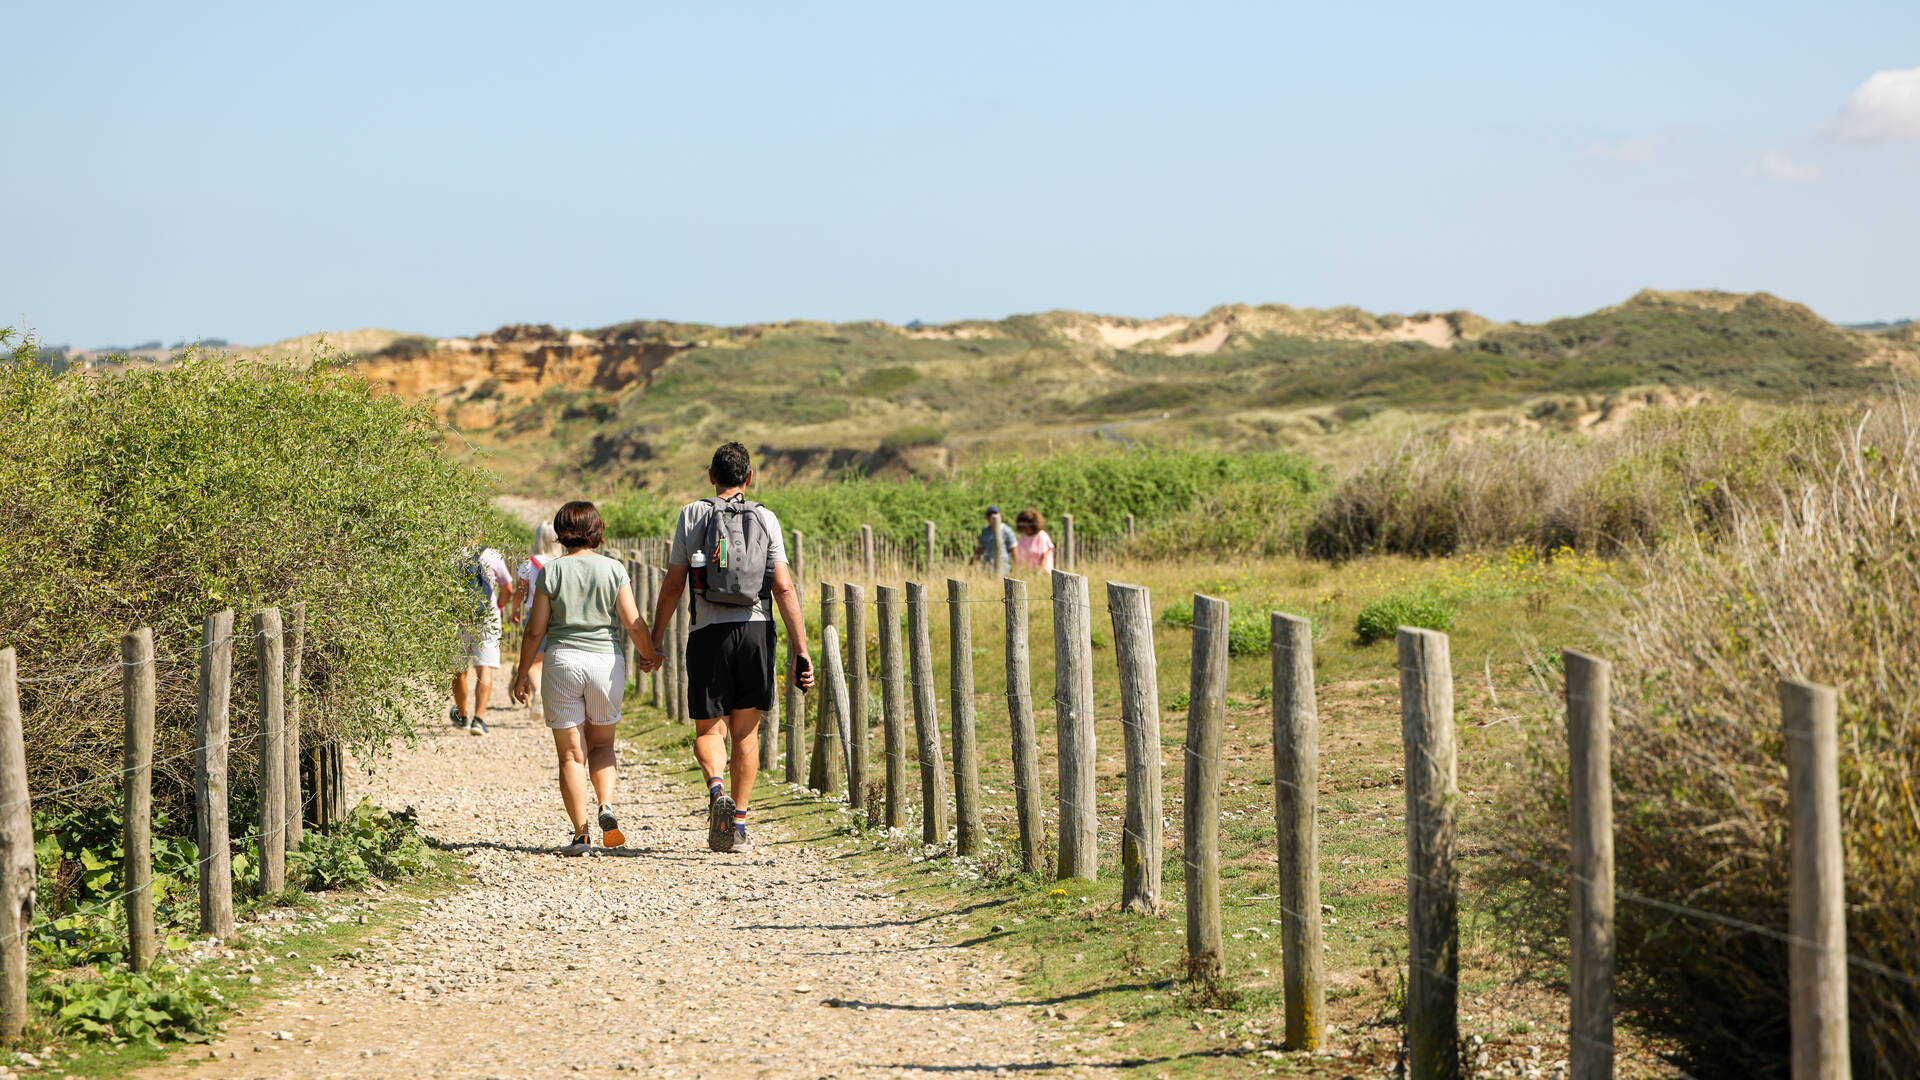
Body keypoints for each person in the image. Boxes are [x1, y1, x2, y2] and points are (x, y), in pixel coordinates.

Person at [652, 442, 813, 854]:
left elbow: (673, 585)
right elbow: (783, 586)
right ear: (749, 478)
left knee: (709, 729)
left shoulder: (693, 514)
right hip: (756, 630)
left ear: (711, 476)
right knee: (746, 731)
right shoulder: (766, 517)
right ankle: (738, 825)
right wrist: (801, 649)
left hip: (709, 631)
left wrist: (654, 639)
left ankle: (716, 788)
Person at [510, 501, 663, 856]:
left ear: (561, 532)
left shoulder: (553, 571)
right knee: (603, 745)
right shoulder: (613, 569)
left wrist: (522, 673)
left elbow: (535, 631)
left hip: (562, 660)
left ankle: (581, 836)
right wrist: (650, 654)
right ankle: (605, 804)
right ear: (597, 530)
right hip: (604, 662)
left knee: (571, 756)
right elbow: (634, 622)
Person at [453, 539, 515, 736]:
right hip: (487, 618)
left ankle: (462, 715)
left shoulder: (452, 556)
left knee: (459, 669)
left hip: (461, 617)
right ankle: (478, 720)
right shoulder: (493, 555)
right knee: (484, 668)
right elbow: (509, 588)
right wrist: (500, 606)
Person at [510, 520, 565, 710]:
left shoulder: (529, 564)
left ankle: (539, 695)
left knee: (534, 660)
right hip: (560, 615)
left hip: (536, 613)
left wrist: (515, 610)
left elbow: (519, 591)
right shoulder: (563, 563)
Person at [972, 505, 1016, 575]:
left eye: (995, 513)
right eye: (989, 514)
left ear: (1000, 515)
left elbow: (1014, 549)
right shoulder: (985, 531)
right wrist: (972, 564)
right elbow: (980, 549)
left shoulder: (1007, 530)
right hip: (987, 568)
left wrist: (1017, 568)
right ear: (987, 518)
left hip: (1003, 569)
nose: (992, 516)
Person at [1013, 507, 1055, 573]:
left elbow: (1044, 558)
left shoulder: (1042, 536)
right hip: (1027, 573)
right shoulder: (1023, 537)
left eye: (1025, 527)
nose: (1023, 529)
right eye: (1021, 527)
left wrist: (1038, 573)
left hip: (1043, 574)